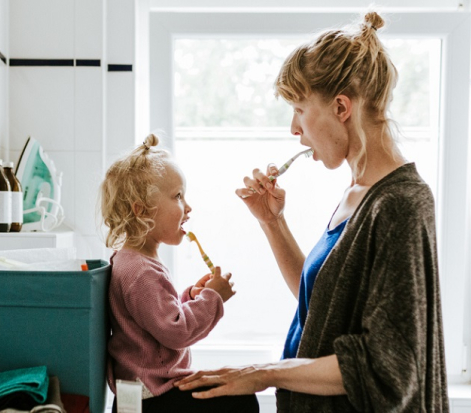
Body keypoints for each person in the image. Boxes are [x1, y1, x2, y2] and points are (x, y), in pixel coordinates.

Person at [175, 11, 449, 412]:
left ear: (341, 107)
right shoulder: (358, 193)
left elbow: (389, 366)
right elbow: (323, 304)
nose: (294, 129)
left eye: (299, 110)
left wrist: (265, 372)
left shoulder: (401, 205)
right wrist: (273, 223)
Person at [100, 134, 260, 413]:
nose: (188, 207)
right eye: (177, 196)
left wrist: (190, 297)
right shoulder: (140, 271)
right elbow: (176, 332)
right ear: (142, 211)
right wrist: (212, 298)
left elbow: (155, 320)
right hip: (154, 399)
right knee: (243, 400)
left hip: (140, 395)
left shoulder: (133, 262)